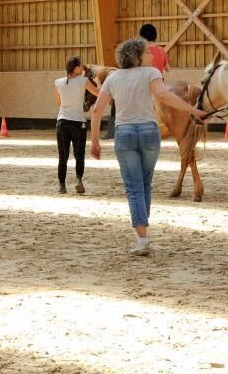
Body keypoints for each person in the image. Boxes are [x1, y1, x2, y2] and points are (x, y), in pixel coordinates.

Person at [89, 37, 206, 256]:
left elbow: (97, 110)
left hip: (124, 134)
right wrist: (194, 111)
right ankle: (144, 232)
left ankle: (142, 239)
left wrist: (95, 141)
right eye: (148, 53)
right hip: (149, 133)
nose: (152, 56)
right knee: (145, 184)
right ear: (139, 56)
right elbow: (164, 95)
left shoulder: (113, 78)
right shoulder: (151, 73)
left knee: (133, 188)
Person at [55, 56, 99, 194]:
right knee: (79, 155)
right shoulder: (83, 81)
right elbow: (97, 93)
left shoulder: (58, 82)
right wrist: (101, 84)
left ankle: (62, 186)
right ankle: (79, 180)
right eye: (80, 66)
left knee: (63, 156)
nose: (82, 68)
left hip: (62, 122)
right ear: (75, 68)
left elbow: (58, 103)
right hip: (78, 122)